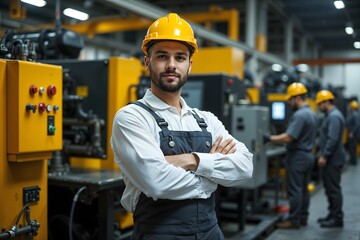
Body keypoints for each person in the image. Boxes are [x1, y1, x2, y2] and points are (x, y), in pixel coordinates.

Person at [110, 13, 253, 240]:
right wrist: (213, 178)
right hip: (159, 233)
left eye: (180, 57)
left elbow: (245, 166)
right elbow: (157, 182)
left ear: (190, 65)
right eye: (162, 56)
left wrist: (191, 160)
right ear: (147, 61)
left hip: (211, 232)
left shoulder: (206, 120)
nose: (171, 65)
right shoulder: (131, 117)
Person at [264, 82, 318, 229]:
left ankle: (294, 220)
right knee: (304, 190)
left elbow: (289, 137)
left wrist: (269, 138)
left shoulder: (300, 115)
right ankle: (302, 217)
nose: (289, 102)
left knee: (295, 190)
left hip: (298, 158)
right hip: (308, 155)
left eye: (290, 99)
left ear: (297, 98)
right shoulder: (312, 113)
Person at [315, 90, 345, 228]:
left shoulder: (334, 117)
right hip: (332, 158)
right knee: (329, 188)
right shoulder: (331, 115)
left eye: (320, 104)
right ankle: (332, 214)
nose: (319, 107)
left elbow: (332, 139)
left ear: (326, 102)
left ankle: (337, 218)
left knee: (333, 189)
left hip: (333, 159)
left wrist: (324, 155)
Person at [346, 100, 359, 165]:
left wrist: (352, 132)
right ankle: (352, 160)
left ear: (353, 107)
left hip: (353, 134)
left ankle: (353, 161)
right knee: (351, 148)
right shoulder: (354, 114)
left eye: (350, 106)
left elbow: (357, 124)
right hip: (352, 133)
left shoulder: (355, 114)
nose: (349, 108)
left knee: (352, 148)